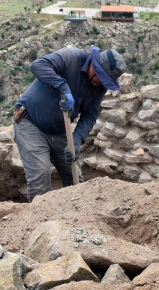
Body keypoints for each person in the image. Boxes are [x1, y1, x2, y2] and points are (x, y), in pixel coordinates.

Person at [13, 45, 126, 201]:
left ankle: (73, 218)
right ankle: (42, 222)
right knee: (40, 177)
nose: (102, 83)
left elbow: (90, 115)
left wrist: (77, 140)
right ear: (95, 65)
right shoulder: (71, 57)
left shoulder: (99, 86)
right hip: (30, 122)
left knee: (75, 180)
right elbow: (38, 65)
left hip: (60, 130)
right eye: (102, 77)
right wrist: (62, 86)